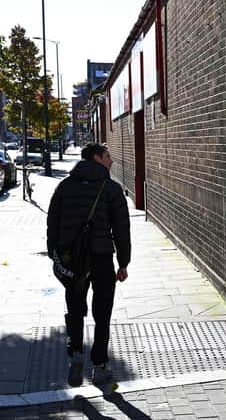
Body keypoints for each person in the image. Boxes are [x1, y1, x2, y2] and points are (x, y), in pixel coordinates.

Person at [47, 143, 131, 387]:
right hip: (102, 258)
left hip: (73, 260)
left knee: (74, 307)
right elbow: (121, 230)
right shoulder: (111, 189)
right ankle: (100, 366)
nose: (111, 161)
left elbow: (53, 223)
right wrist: (123, 262)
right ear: (96, 158)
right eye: (107, 156)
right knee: (102, 312)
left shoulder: (64, 187)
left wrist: (56, 254)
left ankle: (75, 354)